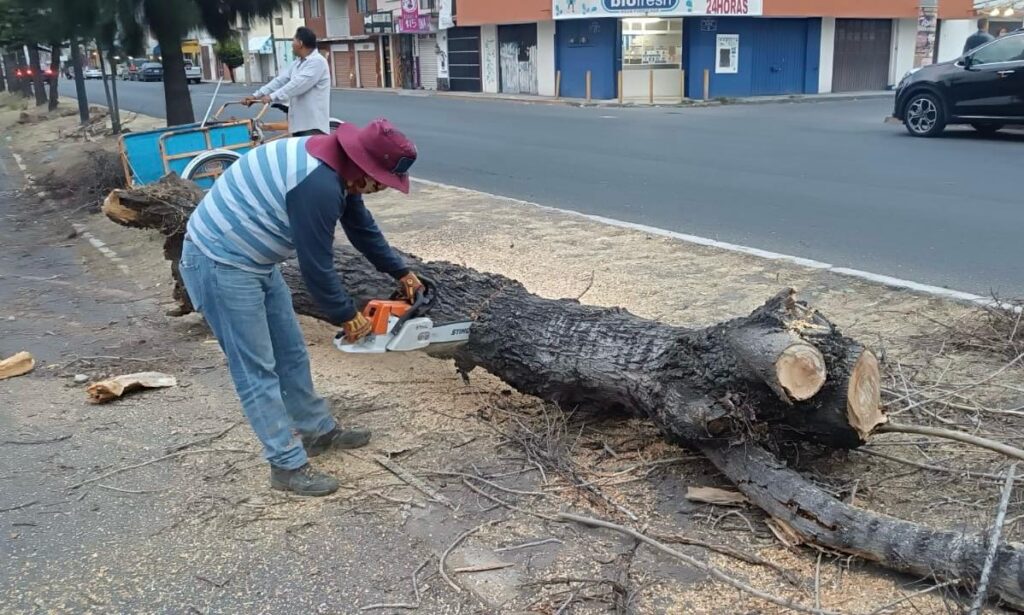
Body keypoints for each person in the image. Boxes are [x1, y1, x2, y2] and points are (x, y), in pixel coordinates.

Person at [179, 119, 424, 496]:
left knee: (291, 353)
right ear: (364, 168)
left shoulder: (337, 167)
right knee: (256, 369)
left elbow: (361, 228)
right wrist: (345, 313)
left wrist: (400, 270)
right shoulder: (318, 184)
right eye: (380, 182)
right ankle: (286, 466)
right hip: (219, 263)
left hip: (256, 262)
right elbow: (315, 264)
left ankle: (317, 431)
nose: (378, 190)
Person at [244, 27, 330, 136]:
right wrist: (256, 95)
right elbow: (280, 80)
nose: (291, 45)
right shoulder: (298, 63)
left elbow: (297, 85)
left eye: (293, 41)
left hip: (312, 125)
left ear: (300, 43)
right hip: (298, 123)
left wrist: (272, 96)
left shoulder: (317, 62)